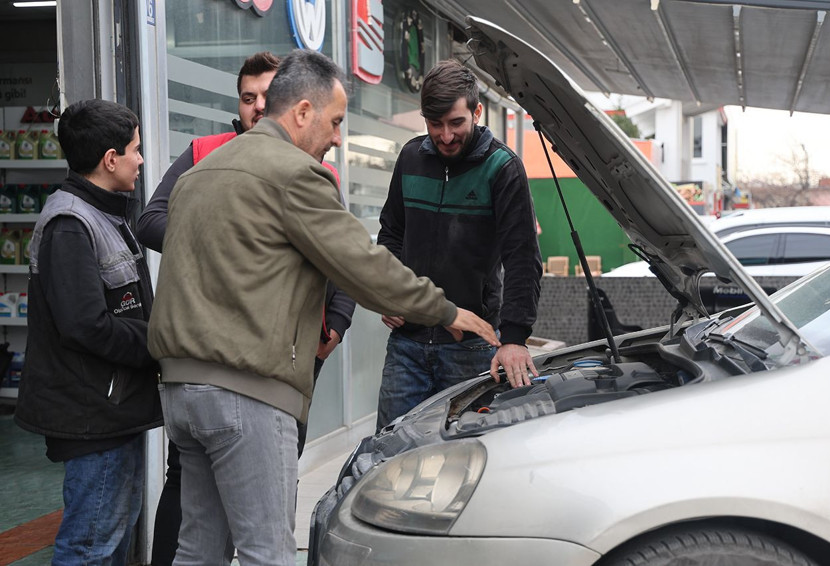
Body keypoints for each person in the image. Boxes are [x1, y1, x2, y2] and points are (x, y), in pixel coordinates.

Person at [147, 49, 499, 566]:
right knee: (268, 552)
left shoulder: (204, 169)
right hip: (247, 393)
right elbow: (362, 264)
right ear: (303, 112)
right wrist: (445, 311)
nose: (337, 136)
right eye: (335, 121)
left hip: (182, 392)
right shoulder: (294, 174)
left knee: (198, 551)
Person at [137, 51, 355, 566]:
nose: (257, 106)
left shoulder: (313, 168)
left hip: (288, 357)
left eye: (265, 95)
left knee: (239, 518)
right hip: (229, 367)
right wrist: (226, 236)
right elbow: (150, 220)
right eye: (247, 97)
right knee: (255, 541)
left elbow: (345, 259)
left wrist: (339, 323)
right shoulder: (205, 154)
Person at [13, 99, 161, 565]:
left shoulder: (109, 213)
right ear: (110, 159)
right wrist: (159, 343)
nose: (141, 159)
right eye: (135, 150)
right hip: (93, 415)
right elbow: (85, 326)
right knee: (90, 547)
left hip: (114, 409)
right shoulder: (70, 224)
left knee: (111, 538)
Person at [375, 59, 544, 431]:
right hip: (407, 347)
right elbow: (390, 235)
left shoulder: (503, 168)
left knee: (467, 457)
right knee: (388, 455)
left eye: (456, 123)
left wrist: (514, 338)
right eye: (435, 125)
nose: (446, 136)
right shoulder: (410, 158)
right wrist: (387, 294)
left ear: (477, 112)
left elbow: (523, 258)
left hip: (473, 349)